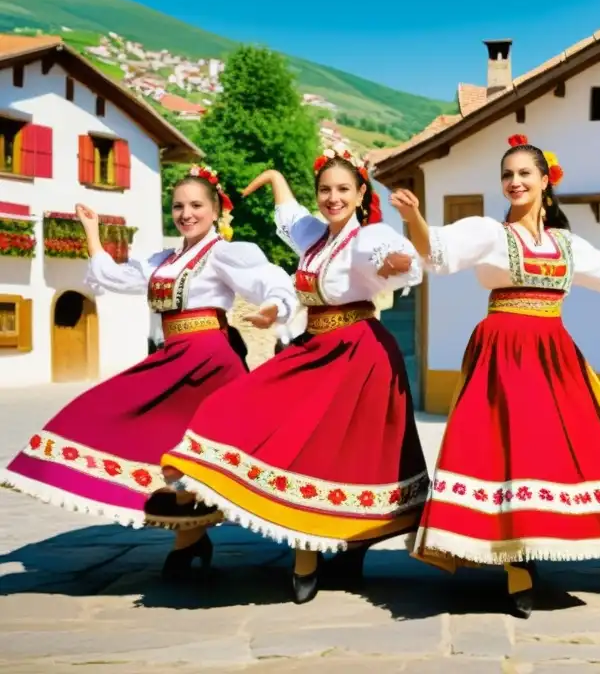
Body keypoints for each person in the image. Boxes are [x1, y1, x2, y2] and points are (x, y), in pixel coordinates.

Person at [389, 134, 600, 619]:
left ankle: (539, 542)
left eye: (525, 173)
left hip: (553, 356)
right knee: (503, 450)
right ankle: (517, 564)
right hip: (502, 353)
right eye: (507, 175)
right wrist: (414, 219)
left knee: (557, 449)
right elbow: (438, 250)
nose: (514, 182)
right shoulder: (489, 233)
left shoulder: (566, 244)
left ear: (546, 181)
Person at [157, 144, 428, 604]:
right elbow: (291, 215)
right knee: (245, 413)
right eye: (325, 189)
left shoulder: (366, 239)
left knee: (347, 454)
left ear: (362, 193)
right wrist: (273, 177)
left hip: (358, 353)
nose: (333, 197)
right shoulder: (315, 237)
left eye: (343, 189)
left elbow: (391, 257)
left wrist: (397, 263)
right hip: (315, 347)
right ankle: (312, 548)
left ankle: (329, 551)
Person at [2, 164, 296, 578]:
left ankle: (192, 540)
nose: (186, 213)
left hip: (211, 361)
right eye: (178, 206)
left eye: (196, 205)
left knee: (193, 456)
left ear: (215, 211)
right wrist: (92, 231)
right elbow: (114, 277)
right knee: (114, 412)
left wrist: (274, 308)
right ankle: (189, 538)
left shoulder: (227, 252)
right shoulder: (163, 260)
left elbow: (270, 281)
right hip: (173, 355)